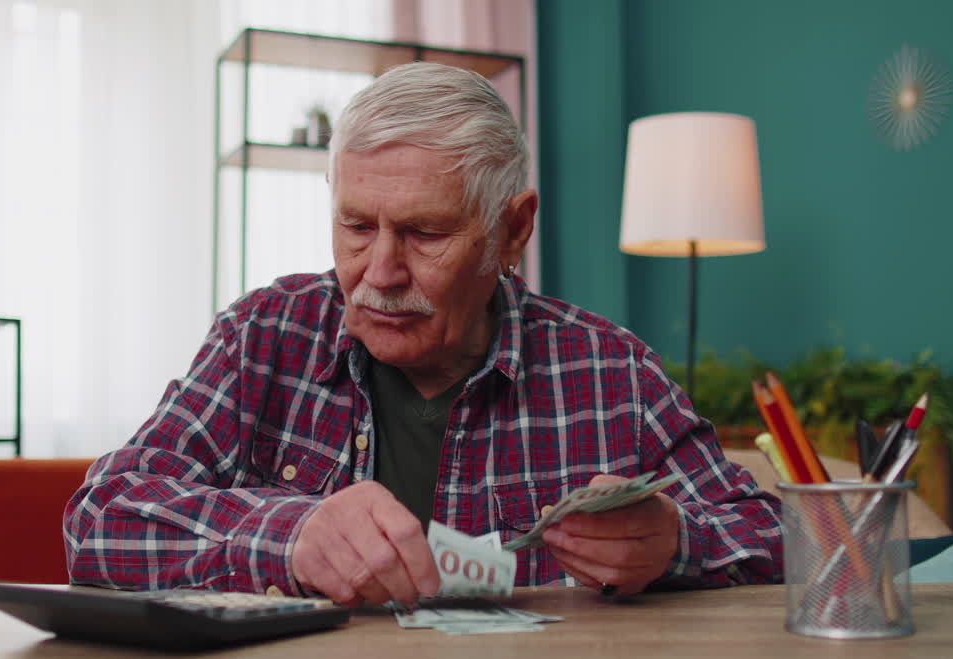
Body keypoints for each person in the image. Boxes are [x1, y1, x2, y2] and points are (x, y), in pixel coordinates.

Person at [63, 62, 780, 606]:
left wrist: (676, 543)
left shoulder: (609, 370)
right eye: (355, 226)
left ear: (513, 229)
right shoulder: (263, 337)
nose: (379, 272)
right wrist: (289, 536)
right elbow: (100, 520)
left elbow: (778, 535)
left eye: (425, 232)